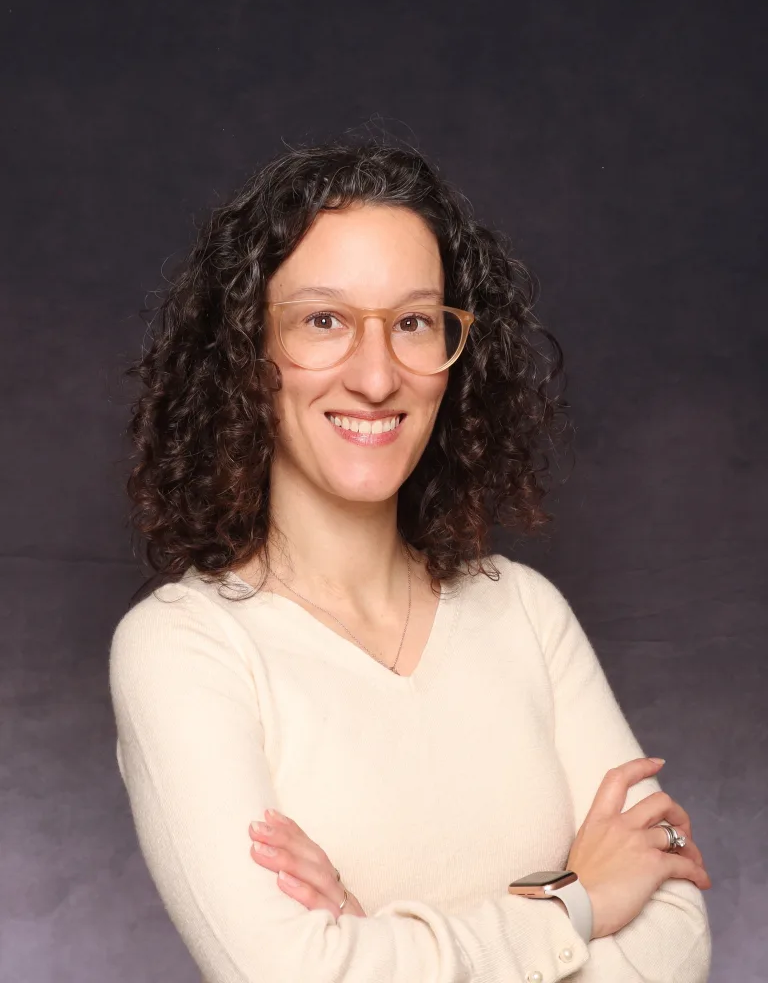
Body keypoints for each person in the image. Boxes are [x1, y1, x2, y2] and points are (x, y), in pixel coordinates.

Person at [109, 139, 712, 982]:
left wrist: (380, 942)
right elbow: (291, 974)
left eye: (413, 323)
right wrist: (574, 902)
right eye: (324, 320)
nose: (376, 374)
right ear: (249, 355)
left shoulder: (526, 613)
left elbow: (678, 937)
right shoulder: (185, 647)